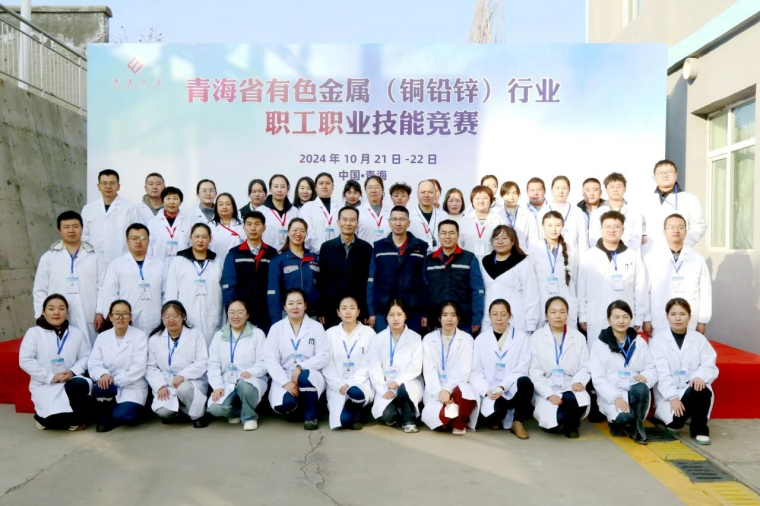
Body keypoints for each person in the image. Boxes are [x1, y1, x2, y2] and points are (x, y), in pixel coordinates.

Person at [19, 294, 93, 431]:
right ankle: (46, 419)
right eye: (51, 309)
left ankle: (75, 418)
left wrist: (72, 372)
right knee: (53, 422)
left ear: (67, 312)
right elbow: (25, 360)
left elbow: (86, 356)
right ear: (43, 312)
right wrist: (50, 377)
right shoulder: (34, 333)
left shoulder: (76, 333)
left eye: (61, 308)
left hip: (70, 381)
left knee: (79, 385)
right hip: (45, 384)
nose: (56, 312)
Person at [578, 210, 649, 348]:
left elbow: (640, 288)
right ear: (601, 229)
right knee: (597, 352)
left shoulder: (632, 255)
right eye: (608, 226)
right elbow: (581, 289)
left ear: (623, 230)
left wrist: (639, 317)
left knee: (623, 354)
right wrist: (582, 315)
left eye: (616, 227)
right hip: (596, 315)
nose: (612, 230)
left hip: (624, 317)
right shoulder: (588, 256)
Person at [651, 298, 718, 445]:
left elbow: (709, 365)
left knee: (701, 388)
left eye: (682, 314)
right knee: (675, 422)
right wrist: (672, 397)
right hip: (669, 395)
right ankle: (676, 422)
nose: (678, 318)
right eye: (673, 314)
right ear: (667, 316)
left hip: (692, 390)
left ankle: (700, 430)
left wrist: (700, 377)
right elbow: (662, 373)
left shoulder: (699, 339)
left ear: (689, 316)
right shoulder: (659, 341)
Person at [590, 300, 658, 444]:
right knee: (623, 417)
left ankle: (637, 427)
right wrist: (615, 397)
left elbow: (651, 367)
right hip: (613, 393)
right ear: (608, 319)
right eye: (616, 317)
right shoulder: (599, 345)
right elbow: (598, 378)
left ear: (631, 318)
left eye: (625, 317)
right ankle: (617, 424)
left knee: (641, 388)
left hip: (635, 392)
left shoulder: (639, 342)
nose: (621, 321)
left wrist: (645, 376)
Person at [33, 211, 105, 344]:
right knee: (60, 349)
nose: (71, 230)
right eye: (66, 227)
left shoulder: (95, 257)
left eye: (75, 226)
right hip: (57, 315)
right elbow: (40, 289)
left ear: (82, 228)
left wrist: (100, 312)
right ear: (59, 230)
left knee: (89, 348)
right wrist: (42, 315)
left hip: (88, 315)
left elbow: (102, 287)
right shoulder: (48, 257)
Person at [264, 289, 329, 430]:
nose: (295, 307)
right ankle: (300, 408)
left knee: (305, 378)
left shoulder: (316, 327)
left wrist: (301, 367)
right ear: (284, 306)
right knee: (285, 405)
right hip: (285, 374)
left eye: (299, 303)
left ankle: (311, 415)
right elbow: (270, 360)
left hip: (309, 373)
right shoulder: (276, 329)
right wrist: (285, 382)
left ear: (305, 305)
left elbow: (324, 356)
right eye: (290, 303)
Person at [529, 297, 590, 438]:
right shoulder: (537, 337)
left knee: (577, 400)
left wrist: (579, 381)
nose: (558, 316)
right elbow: (534, 372)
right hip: (548, 385)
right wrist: (549, 394)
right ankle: (563, 419)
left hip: (571, 384)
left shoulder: (578, 337)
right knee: (555, 421)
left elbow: (585, 365)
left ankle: (572, 425)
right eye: (553, 312)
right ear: (546, 315)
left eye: (562, 312)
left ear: (567, 314)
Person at [470, 299, 533, 439]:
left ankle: (517, 421)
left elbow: (522, 368)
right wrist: (486, 390)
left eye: (503, 314)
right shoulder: (480, 340)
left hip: (511, 387)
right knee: (495, 410)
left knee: (526, 383)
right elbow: (475, 371)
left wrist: (502, 386)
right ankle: (497, 417)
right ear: (489, 316)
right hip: (490, 389)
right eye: (495, 314)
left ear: (510, 316)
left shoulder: (521, 338)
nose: (499, 318)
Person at [644, 214, 712, 336]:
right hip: (659, 319)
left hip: (690, 320)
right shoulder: (651, 258)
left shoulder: (697, 259)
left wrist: (702, 320)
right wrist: (646, 318)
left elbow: (705, 290)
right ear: (664, 232)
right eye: (671, 227)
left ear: (686, 232)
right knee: (660, 347)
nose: (676, 230)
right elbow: (644, 291)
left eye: (680, 227)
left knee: (688, 347)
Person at [145, 301, 210, 427]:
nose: (171, 320)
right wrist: (160, 386)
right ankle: (177, 412)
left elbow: (202, 360)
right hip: (166, 382)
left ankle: (198, 415)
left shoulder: (195, 334)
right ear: (162, 318)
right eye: (167, 317)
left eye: (175, 316)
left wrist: (183, 375)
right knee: (163, 411)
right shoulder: (155, 339)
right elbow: (150, 367)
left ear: (183, 316)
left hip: (190, 380)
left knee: (184, 389)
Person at [206, 300, 268, 431]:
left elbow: (264, 361)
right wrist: (217, 386)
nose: (236, 316)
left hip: (250, 379)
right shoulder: (219, 336)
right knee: (215, 408)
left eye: (240, 312)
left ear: (248, 315)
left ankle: (249, 417)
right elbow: (213, 364)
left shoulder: (257, 334)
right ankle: (236, 412)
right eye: (231, 312)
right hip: (227, 380)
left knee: (245, 385)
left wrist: (251, 372)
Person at [88, 300, 149, 432]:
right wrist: (103, 375)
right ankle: (104, 417)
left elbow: (139, 367)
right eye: (116, 314)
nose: (120, 317)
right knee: (101, 386)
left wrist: (114, 379)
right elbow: (94, 362)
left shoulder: (140, 336)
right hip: (109, 385)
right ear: (110, 317)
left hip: (133, 385)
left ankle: (123, 410)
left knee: (123, 416)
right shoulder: (102, 337)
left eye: (125, 314)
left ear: (130, 317)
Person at [364, 299, 423, 433]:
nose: (395, 319)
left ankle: (409, 420)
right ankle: (399, 410)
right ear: (386, 317)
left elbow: (415, 366)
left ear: (405, 316)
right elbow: (374, 368)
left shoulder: (415, 338)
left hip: (408, 383)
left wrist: (398, 381)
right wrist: (383, 390)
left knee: (404, 389)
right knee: (387, 416)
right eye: (391, 315)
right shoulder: (378, 339)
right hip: (386, 386)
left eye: (399, 314)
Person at [367, 206, 429, 333]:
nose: (398, 223)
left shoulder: (420, 247)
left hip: (413, 311)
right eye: (394, 219)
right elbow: (371, 281)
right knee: (384, 344)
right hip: (383, 310)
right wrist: (371, 311)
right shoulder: (379, 247)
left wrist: (425, 312)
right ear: (389, 222)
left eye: (402, 219)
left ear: (408, 223)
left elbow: (425, 282)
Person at [421, 302, 478, 436]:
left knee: (466, 393)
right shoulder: (428, 339)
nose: (449, 319)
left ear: (458, 318)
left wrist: (448, 389)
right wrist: (440, 392)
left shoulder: (466, 339)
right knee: (437, 417)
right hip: (435, 389)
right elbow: (429, 370)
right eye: (445, 315)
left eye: (453, 315)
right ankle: (457, 421)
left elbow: (463, 369)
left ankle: (455, 420)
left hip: (456, 387)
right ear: (439, 318)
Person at [98, 223, 163, 336]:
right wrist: (116, 316)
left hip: (155, 319)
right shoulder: (116, 265)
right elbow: (109, 293)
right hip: (126, 320)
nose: (138, 241)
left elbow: (167, 292)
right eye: (134, 238)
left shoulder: (159, 264)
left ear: (148, 241)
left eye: (142, 238)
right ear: (127, 241)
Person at [165, 223, 223, 347]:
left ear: (210, 239)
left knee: (211, 348)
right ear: (190, 238)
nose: (200, 240)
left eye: (204, 237)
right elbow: (171, 292)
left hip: (211, 316)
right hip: (187, 315)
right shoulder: (179, 261)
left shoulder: (217, 262)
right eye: (196, 236)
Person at [323, 296, 376, 430]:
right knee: (342, 421)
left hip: (360, 382)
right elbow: (327, 364)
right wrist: (339, 384)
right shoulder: (329, 334)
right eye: (344, 308)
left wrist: (352, 382)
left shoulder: (369, 333)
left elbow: (370, 362)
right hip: (338, 385)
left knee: (356, 392)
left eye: (352, 308)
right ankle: (353, 413)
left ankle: (357, 413)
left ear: (358, 312)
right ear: (338, 312)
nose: (348, 312)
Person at [425, 220, 485, 334]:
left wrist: (477, 317)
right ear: (438, 236)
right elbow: (424, 289)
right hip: (435, 320)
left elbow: (477, 290)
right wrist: (424, 314)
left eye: (451, 233)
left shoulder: (469, 259)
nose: (447, 236)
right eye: (443, 233)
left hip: (463, 321)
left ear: (458, 236)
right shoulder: (429, 260)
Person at [317, 206, 373, 328]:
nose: (348, 223)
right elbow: (322, 281)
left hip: (357, 309)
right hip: (331, 309)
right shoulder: (327, 247)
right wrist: (321, 310)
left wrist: (366, 311)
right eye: (345, 219)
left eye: (352, 220)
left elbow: (367, 282)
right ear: (338, 222)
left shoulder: (366, 248)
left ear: (357, 223)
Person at [222, 211, 277, 332]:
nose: (253, 228)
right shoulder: (234, 254)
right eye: (249, 224)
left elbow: (276, 285)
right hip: (241, 314)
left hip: (266, 313)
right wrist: (234, 312)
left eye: (257, 224)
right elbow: (228, 287)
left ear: (264, 228)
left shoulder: (272, 254)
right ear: (244, 228)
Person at [480, 225, 540, 333]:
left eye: (504, 238)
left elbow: (531, 293)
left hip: (515, 317)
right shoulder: (485, 262)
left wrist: (531, 322)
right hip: (489, 318)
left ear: (513, 241)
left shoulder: (522, 262)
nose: (500, 242)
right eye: (496, 238)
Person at [641, 160, 706, 256]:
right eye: (661, 172)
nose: (665, 175)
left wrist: (683, 244)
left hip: (679, 252)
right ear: (654, 177)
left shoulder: (689, 198)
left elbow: (699, 225)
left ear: (676, 175)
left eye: (669, 171)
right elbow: (640, 224)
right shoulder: (646, 200)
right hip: (650, 253)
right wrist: (644, 236)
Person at [82, 169, 142, 266]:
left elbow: (138, 235)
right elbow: (84, 237)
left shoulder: (130, 208)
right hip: (93, 262)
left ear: (118, 186)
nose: (108, 186)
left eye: (112, 183)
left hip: (123, 262)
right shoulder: (88, 209)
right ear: (98, 186)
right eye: (104, 183)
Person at [529, 212, 578, 325]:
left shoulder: (570, 250)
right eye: (549, 225)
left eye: (557, 225)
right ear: (542, 226)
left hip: (565, 300)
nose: (554, 229)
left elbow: (574, 278)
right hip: (542, 302)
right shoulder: (533, 251)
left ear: (563, 226)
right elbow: (531, 283)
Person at [267, 218, 320, 324]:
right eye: (294, 230)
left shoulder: (314, 258)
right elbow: (273, 293)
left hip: (312, 314)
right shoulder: (278, 259)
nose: (298, 234)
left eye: (302, 231)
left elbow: (320, 287)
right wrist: (276, 320)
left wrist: (321, 311)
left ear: (306, 234)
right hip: (287, 315)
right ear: (288, 233)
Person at [589, 173, 643, 250]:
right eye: (611, 187)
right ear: (606, 190)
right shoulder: (597, 213)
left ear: (625, 189)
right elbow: (594, 238)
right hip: (603, 254)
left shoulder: (634, 212)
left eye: (619, 186)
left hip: (628, 253)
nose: (615, 190)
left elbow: (636, 237)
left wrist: (625, 252)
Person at [147, 186, 193, 274]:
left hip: (183, 267)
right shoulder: (153, 222)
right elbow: (149, 246)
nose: (171, 202)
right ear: (162, 201)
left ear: (181, 202)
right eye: (168, 198)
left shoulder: (188, 222)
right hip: (158, 267)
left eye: (175, 198)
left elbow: (192, 245)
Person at [537, 176, 589, 254]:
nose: (561, 191)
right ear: (551, 190)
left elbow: (583, 239)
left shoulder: (577, 212)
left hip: (572, 255)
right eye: (557, 188)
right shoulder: (543, 212)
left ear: (569, 190)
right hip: (548, 255)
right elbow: (538, 237)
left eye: (564, 188)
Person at [459, 186, 506, 259]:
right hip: (468, 262)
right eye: (477, 198)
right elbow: (459, 244)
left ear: (491, 200)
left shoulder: (498, 219)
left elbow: (503, 243)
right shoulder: (464, 221)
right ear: (472, 201)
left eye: (485, 198)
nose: (481, 201)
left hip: (492, 262)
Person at [301, 172, 343, 252]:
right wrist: (322, 249)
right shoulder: (307, 207)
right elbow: (308, 232)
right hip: (314, 253)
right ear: (315, 188)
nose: (324, 186)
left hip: (338, 252)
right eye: (321, 183)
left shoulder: (340, 208)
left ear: (333, 187)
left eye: (328, 183)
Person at [256, 174, 299, 250]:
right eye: (276, 186)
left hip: (289, 254)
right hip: (266, 253)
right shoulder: (261, 211)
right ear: (270, 189)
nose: (279, 190)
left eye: (283, 187)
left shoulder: (294, 211)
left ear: (287, 189)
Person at [498, 181, 539, 249]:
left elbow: (533, 241)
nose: (511, 197)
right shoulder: (496, 215)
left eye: (514, 193)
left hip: (523, 252)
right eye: (507, 194)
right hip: (502, 252)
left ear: (519, 194)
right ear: (501, 196)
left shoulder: (528, 214)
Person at [209, 192, 244, 268]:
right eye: (221, 204)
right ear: (216, 207)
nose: (224, 207)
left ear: (233, 206)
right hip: (216, 267)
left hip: (239, 267)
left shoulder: (242, 226)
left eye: (228, 204)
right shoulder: (209, 227)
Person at [358, 176, 393, 244]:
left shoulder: (391, 212)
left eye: (376, 187)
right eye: (370, 187)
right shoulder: (358, 211)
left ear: (382, 189)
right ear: (365, 190)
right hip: (364, 250)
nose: (373, 190)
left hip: (386, 250)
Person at [408, 180, 443, 249]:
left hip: (438, 255)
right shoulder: (408, 216)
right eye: (423, 192)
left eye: (430, 192)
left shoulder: (443, 217)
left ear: (435, 194)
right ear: (417, 194)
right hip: (415, 254)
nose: (426, 195)